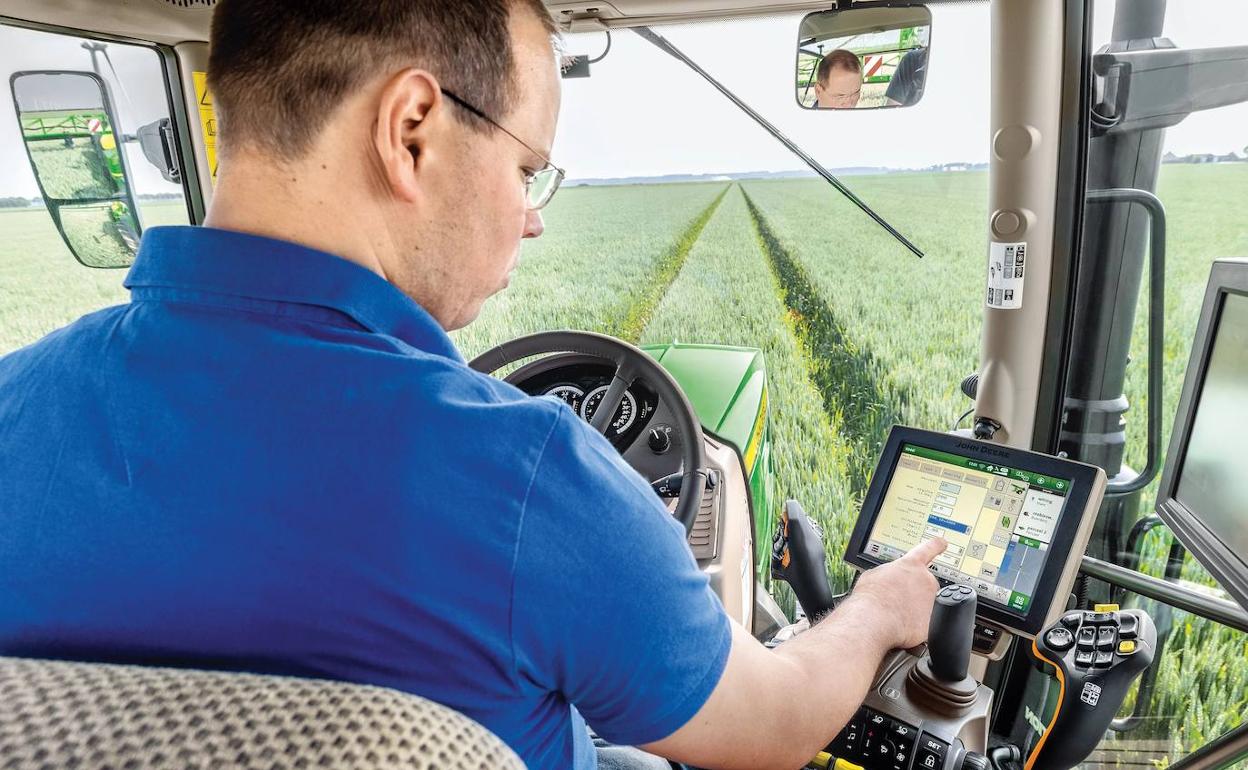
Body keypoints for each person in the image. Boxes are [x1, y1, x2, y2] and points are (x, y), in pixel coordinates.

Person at [0, 1, 946, 769]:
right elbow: (774, 724)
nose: (530, 219)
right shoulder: (527, 474)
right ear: (412, 130)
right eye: (527, 167)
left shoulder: (13, 405)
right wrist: (873, 613)